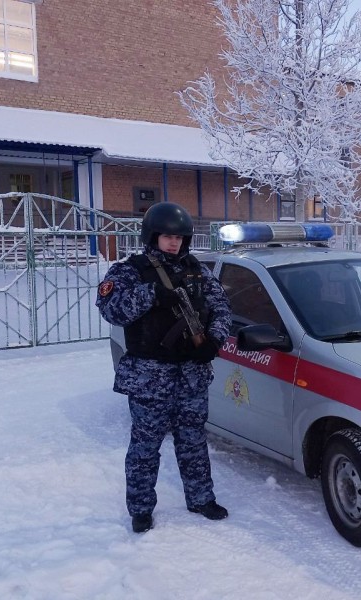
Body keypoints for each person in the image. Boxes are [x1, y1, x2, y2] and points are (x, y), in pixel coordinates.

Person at [96, 202, 232, 533]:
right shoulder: (129, 271)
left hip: (191, 374)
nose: (174, 243)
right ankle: (141, 508)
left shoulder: (198, 271)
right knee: (145, 446)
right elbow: (111, 310)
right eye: (167, 237)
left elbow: (221, 308)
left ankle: (201, 498)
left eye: (180, 238)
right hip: (149, 376)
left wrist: (213, 341)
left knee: (193, 440)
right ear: (153, 236)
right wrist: (152, 295)